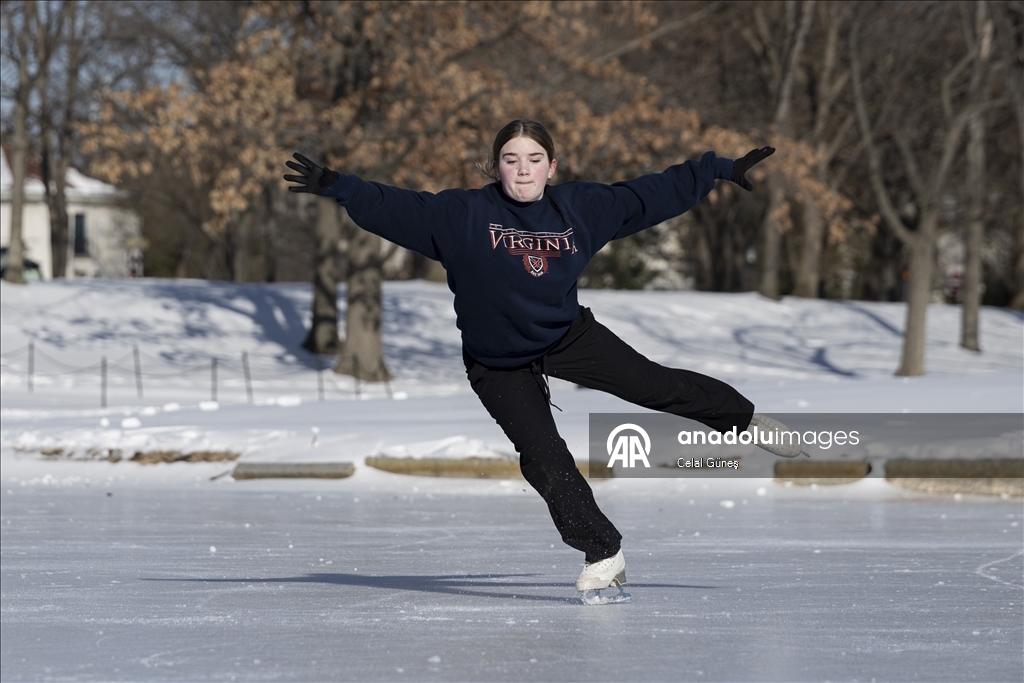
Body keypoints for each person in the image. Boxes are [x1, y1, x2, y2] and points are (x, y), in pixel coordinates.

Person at [284, 119, 799, 599]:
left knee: (653, 385)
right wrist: (339, 184)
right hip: (496, 361)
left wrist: (716, 168)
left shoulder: (579, 208)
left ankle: (744, 419)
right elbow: (396, 206)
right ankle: (603, 550)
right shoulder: (462, 215)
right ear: (496, 167)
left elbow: (647, 195)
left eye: (534, 159)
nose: (523, 169)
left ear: (552, 167)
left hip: (565, 335)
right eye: (511, 159)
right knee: (543, 456)